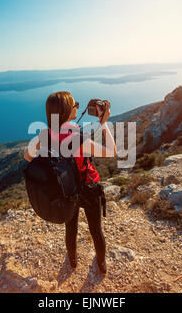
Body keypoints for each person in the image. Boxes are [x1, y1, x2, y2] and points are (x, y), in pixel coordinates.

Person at [24, 91, 117, 274]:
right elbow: (111, 151)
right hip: (88, 190)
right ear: (67, 110)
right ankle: (101, 263)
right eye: (75, 104)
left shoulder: (42, 137)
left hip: (65, 191)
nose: (77, 107)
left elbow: (28, 158)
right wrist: (104, 124)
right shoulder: (78, 139)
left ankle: (73, 260)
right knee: (95, 230)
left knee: (71, 228)